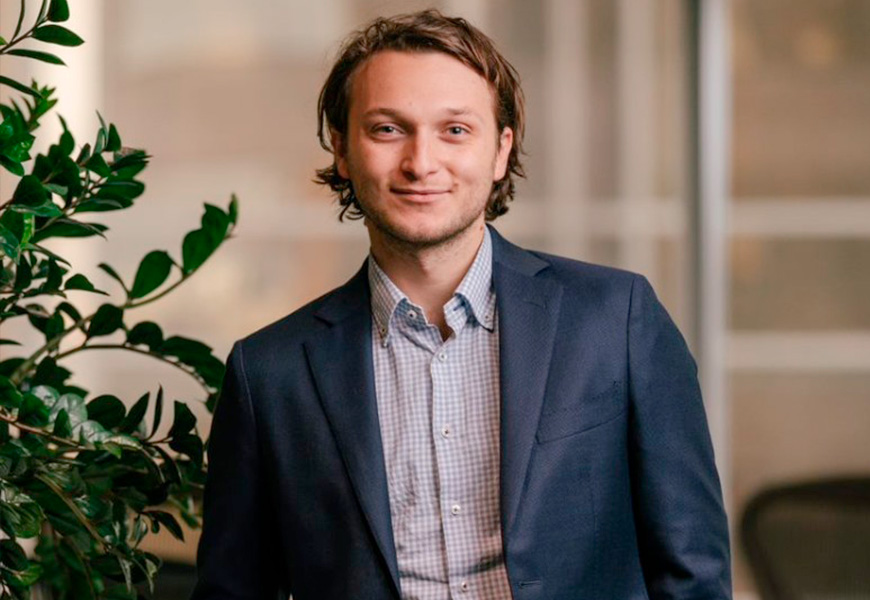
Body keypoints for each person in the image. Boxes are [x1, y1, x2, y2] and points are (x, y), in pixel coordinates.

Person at [191, 9, 731, 600]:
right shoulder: (269, 372)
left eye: (455, 130)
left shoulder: (616, 319)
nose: (421, 163)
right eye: (387, 129)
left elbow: (692, 570)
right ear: (342, 151)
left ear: (500, 151)